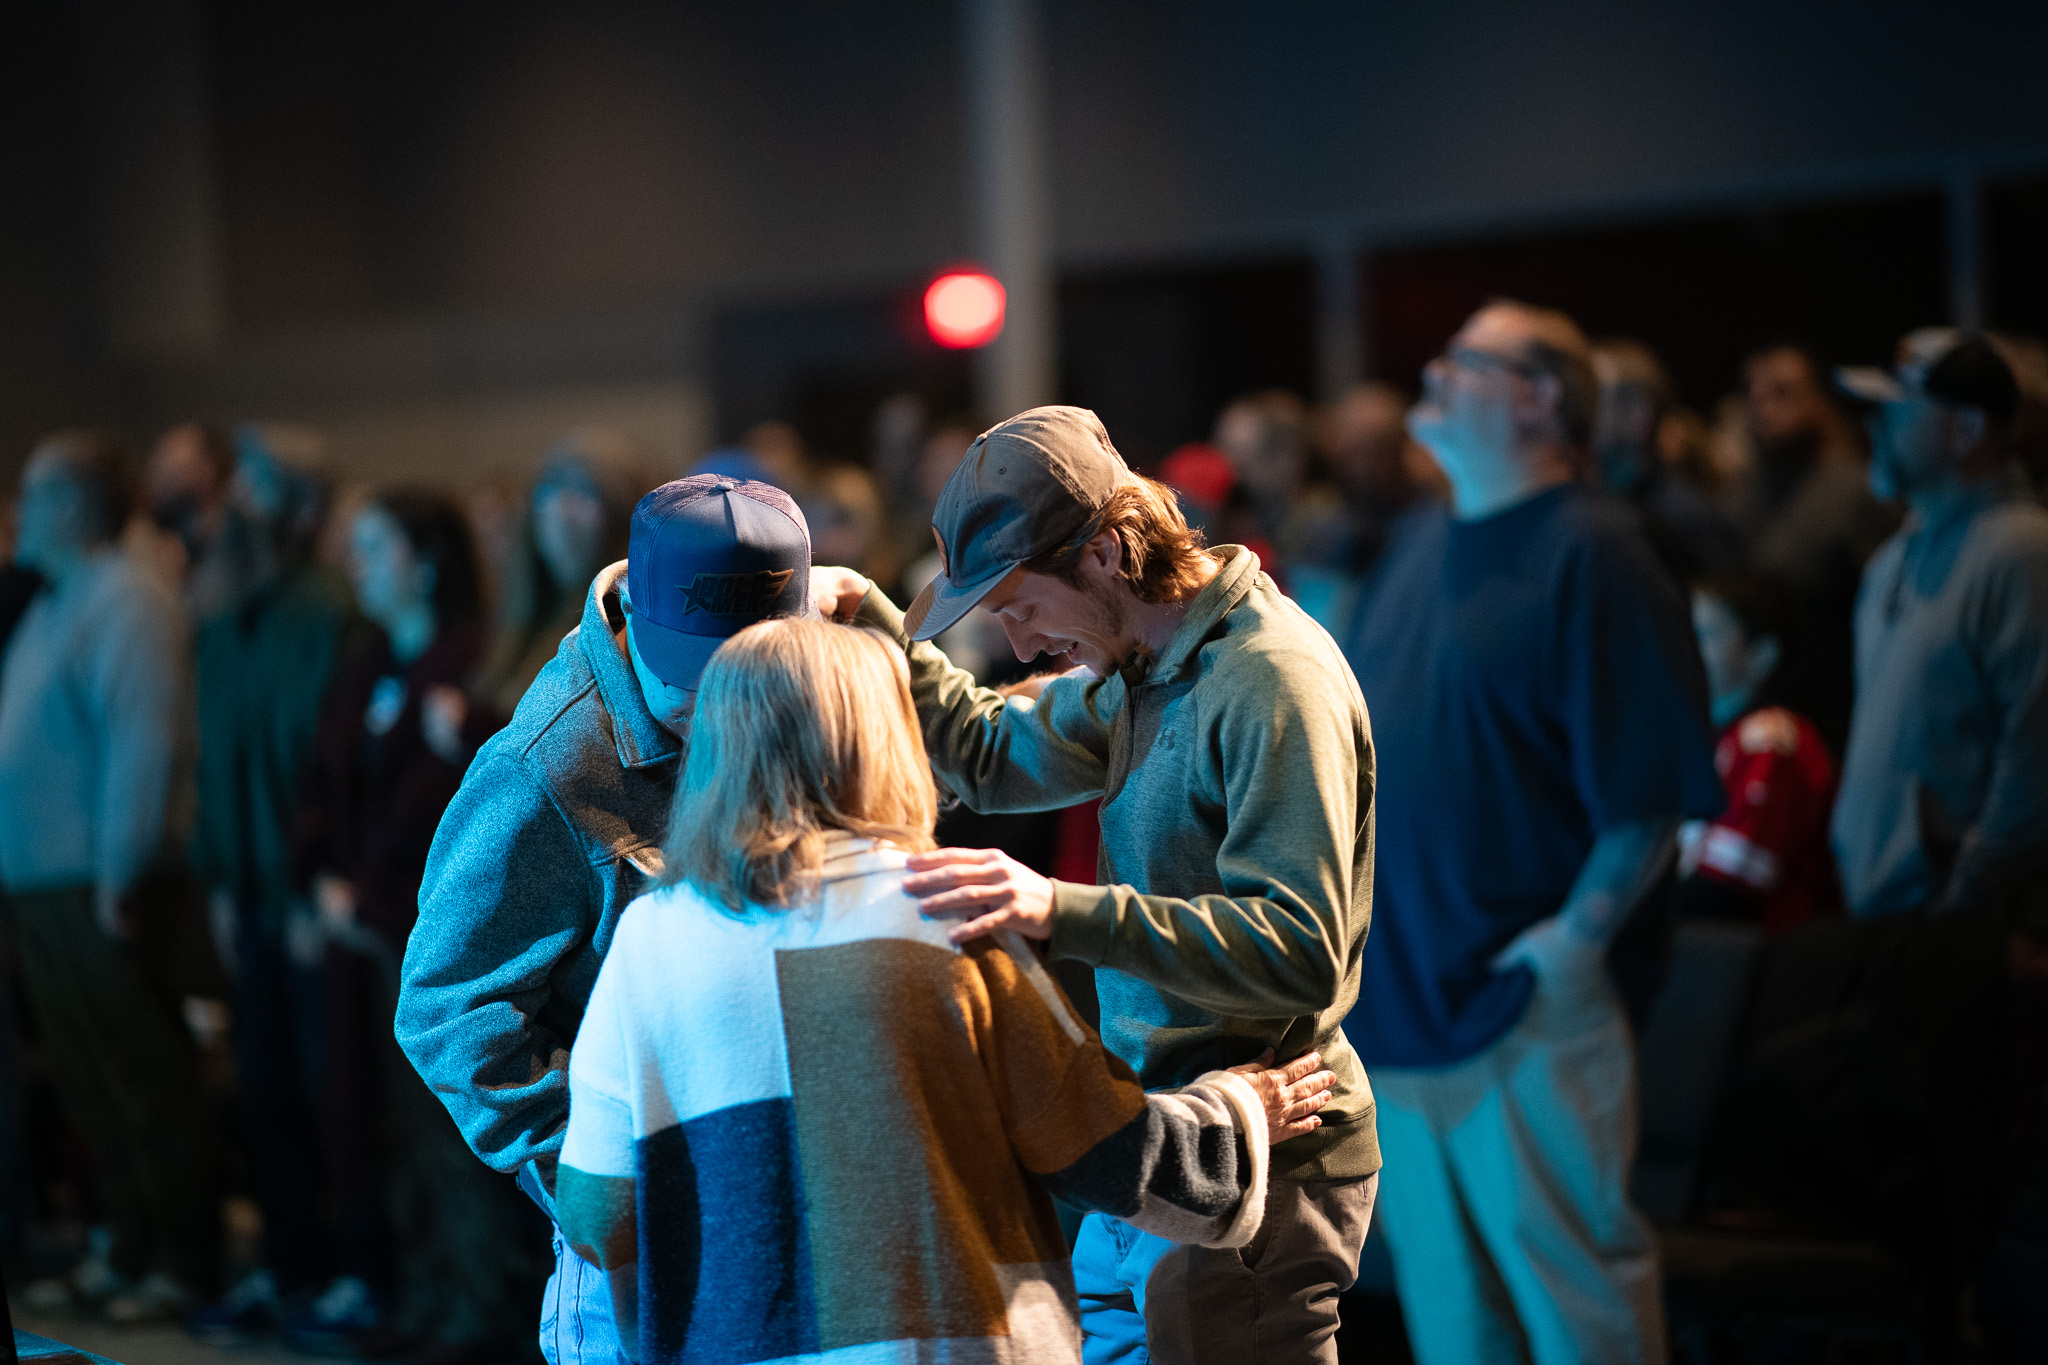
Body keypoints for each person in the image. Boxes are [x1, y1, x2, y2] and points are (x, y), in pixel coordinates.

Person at [556, 615, 1337, 1362]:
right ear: (880, 740)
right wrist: (1239, 1113)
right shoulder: (945, 912)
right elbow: (1099, 1147)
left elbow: (596, 1212)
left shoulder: (650, 943)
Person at [813, 404, 1381, 1363]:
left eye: (1023, 607)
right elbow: (992, 756)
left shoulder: (1270, 680)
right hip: (1154, 1148)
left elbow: (1301, 952)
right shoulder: (1141, 667)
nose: (1023, 645)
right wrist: (873, 623)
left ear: (1109, 552)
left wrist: (1055, 908)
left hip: (1260, 1165)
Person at [1345, 302, 1722, 1365]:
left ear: (1541, 395)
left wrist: (1573, 945)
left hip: (1523, 1001)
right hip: (1404, 1001)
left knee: (1572, 1300)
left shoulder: (1596, 552)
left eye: (1465, 361)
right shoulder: (1416, 541)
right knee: (1453, 1317)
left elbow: (1649, 789)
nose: (1433, 370)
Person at [396, 474, 816, 1365]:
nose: (734, 714)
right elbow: (443, 1007)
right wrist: (599, 1178)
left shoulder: (807, 687)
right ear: (634, 621)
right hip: (641, 1235)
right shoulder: (544, 768)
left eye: (758, 680)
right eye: (702, 683)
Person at [294, 488, 544, 1357]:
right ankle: (429, 1296)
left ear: (426, 561)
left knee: (449, 1128)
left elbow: (451, 823)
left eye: (375, 545)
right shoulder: (368, 667)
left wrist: (364, 900)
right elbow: (326, 791)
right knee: (387, 1126)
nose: (356, 562)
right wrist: (326, 879)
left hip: (428, 937)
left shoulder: (469, 671)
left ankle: (479, 1310)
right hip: (361, 939)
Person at [0, 431, 219, 1322]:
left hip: (103, 882)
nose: (20, 508)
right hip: (48, 885)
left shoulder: (125, 596)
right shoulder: (61, 599)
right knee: (94, 1081)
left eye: (34, 492)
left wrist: (119, 869)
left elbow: (143, 741)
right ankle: (128, 1244)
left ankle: (182, 1258)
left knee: (142, 1075)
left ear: (74, 506)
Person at [182, 425, 360, 1340]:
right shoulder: (224, 607)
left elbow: (320, 768)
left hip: (302, 899)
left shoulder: (329, 608)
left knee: (319, 1094)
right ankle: (286, 1268)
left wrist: (305, 882)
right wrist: (219, 875)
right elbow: (220, 759)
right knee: (260, 1092)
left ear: (297, 506)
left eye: (254, 484)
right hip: (244, 891)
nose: (233, 504)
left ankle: (340, 1274)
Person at [1831, 333, 2048, 918]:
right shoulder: (1889, 561)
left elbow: (2034, 748)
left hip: (1957, 920)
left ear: (1968, 429)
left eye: (1897, 409)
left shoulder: (2022, 552)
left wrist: (1972, 896)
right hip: (1885, 908)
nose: (1875, 427)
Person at [1725, 343, 1900, 752]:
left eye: (1782, 393)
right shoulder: (1739, 499)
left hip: (1835, 719)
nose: (1764, 408)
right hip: (1757, 720)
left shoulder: (1859, 493)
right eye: (1754, 396)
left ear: (1821, 401)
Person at [1678, 570, 1839, 934]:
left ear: (1762, 654)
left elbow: (1725, 892)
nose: (1683, 646)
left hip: (1770, 959)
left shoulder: (1770, 738)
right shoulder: (1711, 740)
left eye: (1703, 634)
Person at [476, 432, 650, 716]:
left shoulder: (629, 630)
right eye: (549, 491)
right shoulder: (519, 612)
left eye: (584, 492)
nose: (561, 510)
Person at [1590, 339, 1742, 585]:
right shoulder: (1598, 499)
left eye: (1595, 394)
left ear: (1639, 413)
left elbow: (1725, 613)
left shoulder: (1685, 517)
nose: (1582, 407)